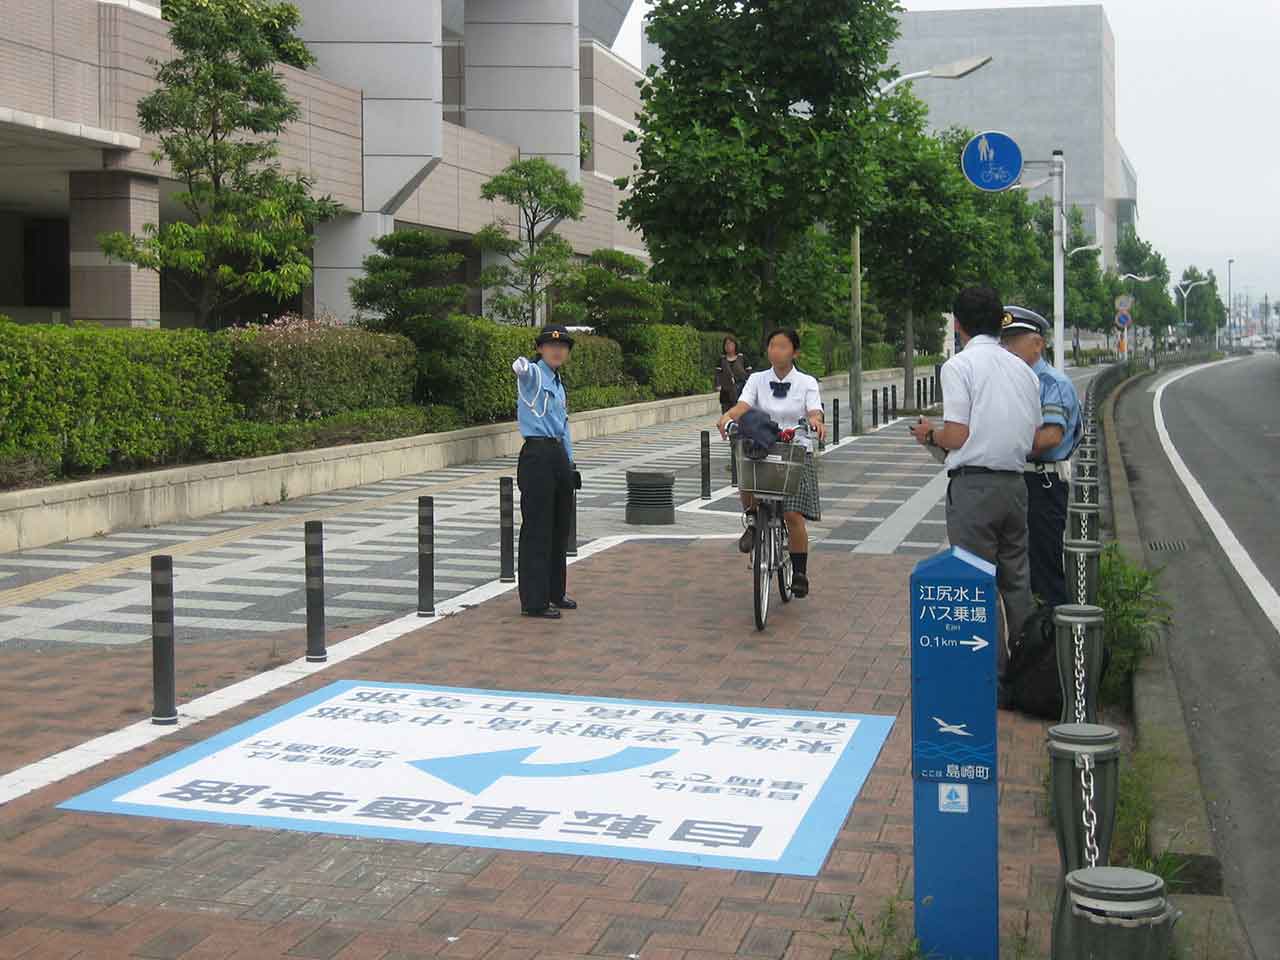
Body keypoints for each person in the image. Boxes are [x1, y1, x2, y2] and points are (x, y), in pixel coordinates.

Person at [909, 288, 1041, 680]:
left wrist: (930, 435)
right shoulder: (1023, 370)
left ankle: (991, 679)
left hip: (973, 488)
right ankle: (1028, 670)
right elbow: (1031, 436)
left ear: (958, 324)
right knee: (1017, 582)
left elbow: (958, 435)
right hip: (1016, 486)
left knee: (976, 584)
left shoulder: (959, 366)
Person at [716, 328, 827, 598]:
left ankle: (799, 572)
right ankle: (753, 522)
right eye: (772, 346)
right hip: (762, 446)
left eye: (782, 346)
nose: (775, 350)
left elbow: (815, 410)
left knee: (792, 515)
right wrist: (727, 417)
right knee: (746, 464)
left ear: (795, 352)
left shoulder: (807, 382)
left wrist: (815, 421)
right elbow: (742, 407)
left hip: (795, 449)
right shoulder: (756, 379)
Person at [1000, 306, 1083, 610]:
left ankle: (1055, 645)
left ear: (1038, 343)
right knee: (1016, 566)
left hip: (1043, 482)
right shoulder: (1011, 382)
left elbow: (1050, 437)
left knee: (1044, 567)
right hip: (1018, 479)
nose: (1006, 348)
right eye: (1003, 340)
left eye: (1014, 340)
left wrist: (1001, 445)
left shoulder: (1051, 383)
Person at [511, 324, 581, 619]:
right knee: (538, 529)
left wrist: (570, 463)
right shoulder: (536, 375)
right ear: (540, 349)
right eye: (551, 346)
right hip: (537, 455)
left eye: (563, 346)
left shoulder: (558, 381)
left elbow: (563, 426)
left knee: (559, 527)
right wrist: (522, 366)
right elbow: (523, 371)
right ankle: (534, 600)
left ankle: (555, 591)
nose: (557, 350)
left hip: (556, 455)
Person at [714, 336, 751, 414]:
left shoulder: (742, 357)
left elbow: (749, 372)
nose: (728, 346)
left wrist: (748, 383)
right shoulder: (721, 359)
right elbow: (717, 373)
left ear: (735, 345)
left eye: (730, 344)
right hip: (726, 391)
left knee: (739, 414)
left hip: (740, 389)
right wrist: (718, 384)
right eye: (726, 344)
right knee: (726, 413)